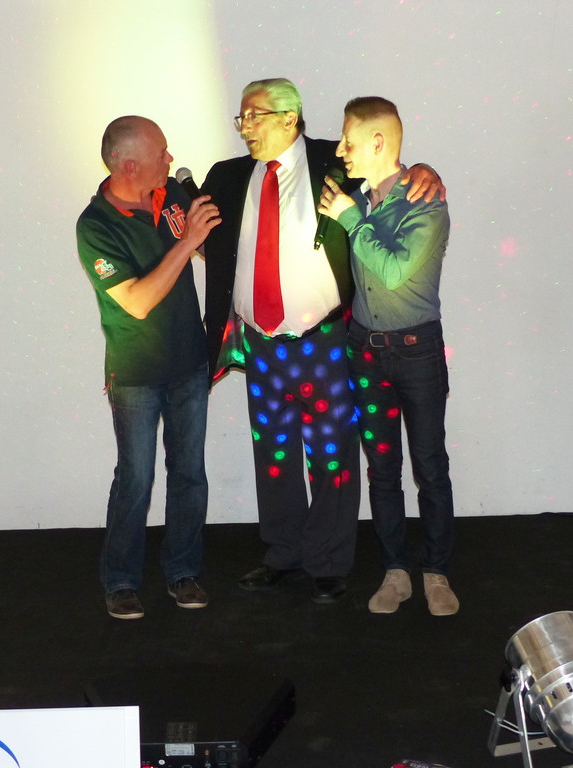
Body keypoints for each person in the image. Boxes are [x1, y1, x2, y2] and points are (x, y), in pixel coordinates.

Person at [201, 78, 444, 605]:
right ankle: (281, 553)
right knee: (274, 453)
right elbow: (193, 227)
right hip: (260, 344)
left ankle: (329, 562)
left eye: (254, 115)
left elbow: (385, 166)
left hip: (325, 339)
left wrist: (425, 170)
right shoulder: (226, 176)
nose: (244, 127)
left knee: (332, 454)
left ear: (290, 117)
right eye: (241, 118)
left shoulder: (334, 163)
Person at [75, 116, 221, 619]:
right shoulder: (95, 226)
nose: (170, 158)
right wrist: (187, 243)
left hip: (190, 362)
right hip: (136, 374)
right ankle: (120, 580)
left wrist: (205, 234)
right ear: (130, 165)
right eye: (161, 152)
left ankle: (184, 572)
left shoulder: (172, 196)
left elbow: (208, 251)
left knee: (190, 474)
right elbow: (137, 301)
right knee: (135, 479)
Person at [318, 96, 458, 616]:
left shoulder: (426, 202)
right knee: (381, 468)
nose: (341, 150)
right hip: (365, 354)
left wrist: (353, 220)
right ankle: (396, 571)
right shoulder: (353, 196)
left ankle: (436, 573)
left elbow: (395, 271)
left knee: (429, 465)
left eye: (349, 141)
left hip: (417, 353)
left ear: (377, 142)